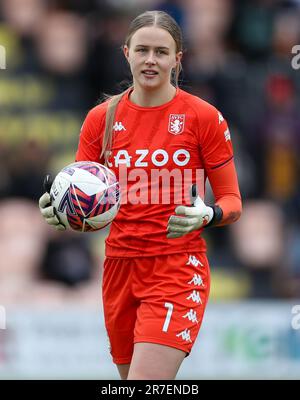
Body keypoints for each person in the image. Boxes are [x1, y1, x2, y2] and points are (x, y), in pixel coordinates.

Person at [39, 10, 242, 380]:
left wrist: (208, 214)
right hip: (118, 267)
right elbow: (82, 197)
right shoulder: (100, 119)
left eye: (162, 52)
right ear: (126, 53)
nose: (151, 60)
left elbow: (233, 201)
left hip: (176, 268)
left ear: (177, 59)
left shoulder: (203, 117)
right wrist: (59, 211)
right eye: (142, 50)